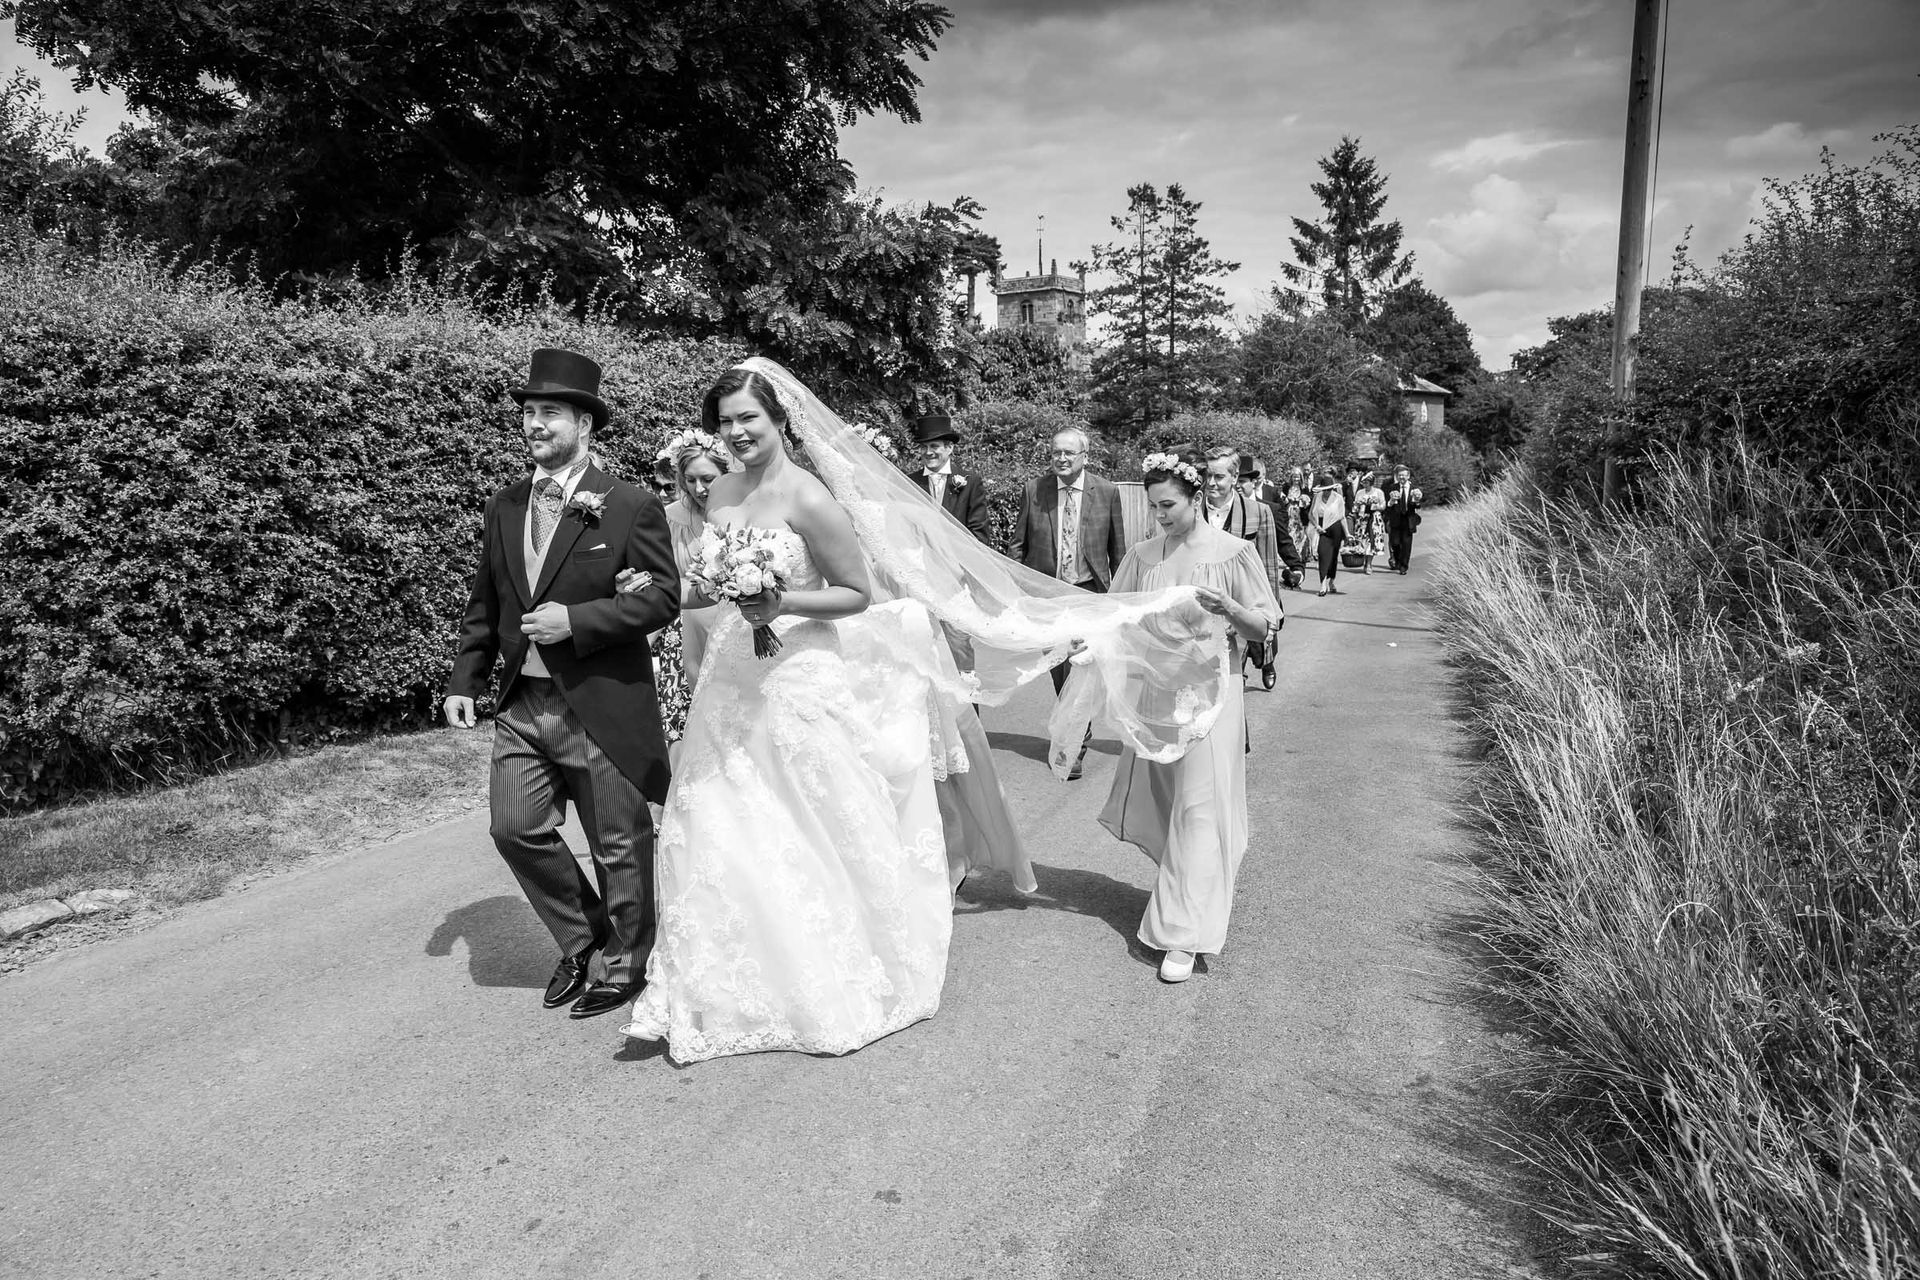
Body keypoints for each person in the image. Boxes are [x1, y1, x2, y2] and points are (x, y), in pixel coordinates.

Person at [617, 360, 1239, 1060]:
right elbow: (704, 590)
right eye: (725, 422)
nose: (735, 434)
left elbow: (854, 592)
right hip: (729, 681)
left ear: (779, 422)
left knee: (800, 826)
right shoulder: (720, 493)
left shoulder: (810, 498)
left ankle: (815, 973)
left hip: (795, 678)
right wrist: (670, 590)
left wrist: (780, 600)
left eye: (747, 420)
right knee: (714, 825)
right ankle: (714, 984)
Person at [443, 347, 681, 1020]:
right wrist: (466, 676)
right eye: (529, 413)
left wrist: (576, 619)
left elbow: (663, 598)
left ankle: (628, 962)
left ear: (585, 424)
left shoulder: (629, 505)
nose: (535, 424)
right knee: (513, 828)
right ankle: (584, 939)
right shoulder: (506, 505)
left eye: (550, 413)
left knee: (617, 843)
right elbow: (486, 602)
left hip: (601, 702)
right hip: (524, 703)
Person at [1086, 450, 1280, 983]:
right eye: (1152, 507)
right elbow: (1115, 612)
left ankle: (1183, 935)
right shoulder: (1144, 556)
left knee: (1199, 808)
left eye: (1168, 505)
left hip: (1213, 696)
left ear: (1197, 498)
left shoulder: (1232, 553)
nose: (1160, 517)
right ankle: (1188, 890)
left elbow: (1264, 625)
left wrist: (1233, 611)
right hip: (1156, 699)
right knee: (1169, 803)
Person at [1008, 427, 1128, 778]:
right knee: (1058, 664)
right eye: (1055, 452)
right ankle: (1076, 725)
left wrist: (1119, 598)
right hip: (1047, 594)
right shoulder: (1035, 490)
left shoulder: (1106, 491)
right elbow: (1018, 545)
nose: (1061, 458)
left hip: (1088, 591)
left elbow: (1117, 549)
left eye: (1068, 453)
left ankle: (1076, 740)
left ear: (1084, 457)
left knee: (1081, 664)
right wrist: (1014, 591)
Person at [646, 430, 732, 741]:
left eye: (708, 479)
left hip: (737, 627)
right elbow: (658, 583)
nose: (699, 489)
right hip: (686, 633)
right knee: (685, 727)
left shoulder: (745, 512)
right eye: (690, 480)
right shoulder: (669, 519)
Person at [1199, 447, 1285, 689]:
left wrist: (1269, 618)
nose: (1211, 483)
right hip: (1202, 613)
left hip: (1240, 609)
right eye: (1208, 476)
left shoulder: (1259, 513)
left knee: (1234, 681)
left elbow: (1268, 569)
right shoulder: (1192, 510)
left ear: (1235, 477)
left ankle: (1265, 662)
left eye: (1219, 477)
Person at [911, 413, 993, 543]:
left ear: (949, 448)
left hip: (960, 560)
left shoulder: (971, 483)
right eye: (923, 447)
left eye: (934, 446)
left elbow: (979, 534)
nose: (928, 452)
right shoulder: (910, 482)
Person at [1310, 468, 1348, 596]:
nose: (1327, 492)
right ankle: (1323, 584)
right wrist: (1316, 526)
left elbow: (1342, 517)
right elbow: (1310, 514)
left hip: (1336, 528)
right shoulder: (1317, 497)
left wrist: (1347, 534)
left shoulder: (1338, 498)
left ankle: (1331, 581)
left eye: (1329, 489)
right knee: (1323, 554)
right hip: (1322, 529)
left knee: (1333, 557)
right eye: (1325, 489)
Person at [1382, 464, 1424, 574]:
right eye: (1400, 475)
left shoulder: (1414, 488)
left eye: (1404, 475)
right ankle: (1398, 560)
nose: (1402, 478)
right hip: (1395, 519)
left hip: (1408, 520)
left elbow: (1417, 506)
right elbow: (1387, 505)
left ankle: (1403, 566)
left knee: (1406, 544)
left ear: (1408, 476)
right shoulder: (1392, 488)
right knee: (1394, 543)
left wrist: (1416, 500)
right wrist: (1391, 501)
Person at [1351, 470, 1387, 574]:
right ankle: (1364, 561)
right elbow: (1355, 506)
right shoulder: (1360, 493)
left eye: (1367, 482)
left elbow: (1383, 506)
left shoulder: (1378, 492)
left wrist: (1374, 505)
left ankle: (1369, 564)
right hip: (1363, 518)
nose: (1365, 485)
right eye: (1363, 483)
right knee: (1363, 541)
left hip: (1374, 518)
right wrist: (1357, 505)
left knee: (1372, 541)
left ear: (1371, 483)